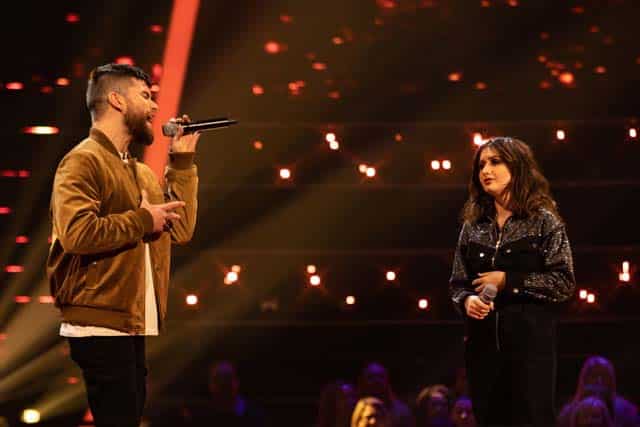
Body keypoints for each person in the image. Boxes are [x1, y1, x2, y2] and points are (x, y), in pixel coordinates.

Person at [47, 63, 200, 427]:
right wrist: (144, 220)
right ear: (116, 100)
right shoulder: (83, 160)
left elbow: (181, 230)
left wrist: (182, 162)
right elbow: (77, 233)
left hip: (131, 320)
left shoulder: (140, 172)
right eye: (145, 96)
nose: (154, 107)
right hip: (99, 321)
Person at [449, 137, 576, 426]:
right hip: (483, 350)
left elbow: (563, 282)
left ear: (517, 167)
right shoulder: (473, 226)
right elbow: (458, 283)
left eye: (495, 162)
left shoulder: (544, 221)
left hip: (530, 350)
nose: (485, 170)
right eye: (481, 165)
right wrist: (467, 301)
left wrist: (509, 280)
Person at [557, 356, 638, 427]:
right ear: (584, 379)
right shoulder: (568, 412)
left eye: (604, 376)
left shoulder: (627, 410)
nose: (599, 381)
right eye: (593, 376)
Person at [358, 362, 414, 427]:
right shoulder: (357, 408)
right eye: (371, 377)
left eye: (380, 377)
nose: (376, 380)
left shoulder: (401, 412)